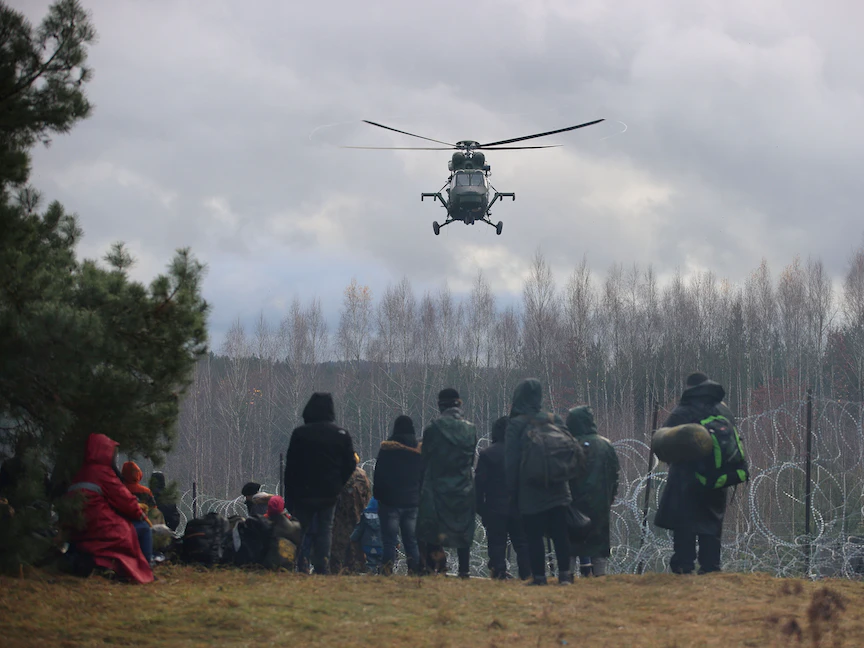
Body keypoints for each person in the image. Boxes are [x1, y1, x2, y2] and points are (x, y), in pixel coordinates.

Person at [654, 372, 735, 574]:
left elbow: (663, 443)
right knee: (712, 522)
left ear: (690, 388)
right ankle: (711, 567)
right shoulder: (723, 410)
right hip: (717, 477)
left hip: (686, 478)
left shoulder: (683, 410)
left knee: (685, 523)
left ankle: (683, 565)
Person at [505, 378, 574, 585]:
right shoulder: (554, 420)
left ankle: (539, 577)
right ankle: (565, 576)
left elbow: (511, 462)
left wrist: (512, 493)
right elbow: (570, 448)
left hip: (530, 489)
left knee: (533, 535)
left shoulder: (516, 424)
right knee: (561, 534)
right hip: (557, 486)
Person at [64, 433, 154, 583]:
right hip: (101, 528)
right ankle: (146, 570)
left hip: (80, 530)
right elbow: (125, 501)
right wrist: (140, 515)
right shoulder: (103, 474)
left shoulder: (81, 474)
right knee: (143, 529)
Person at [284, 392, 357, 575]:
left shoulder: (300, 434)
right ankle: (322, 566)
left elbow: (291, 466)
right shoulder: (340, 434)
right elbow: (350, 463)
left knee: (299, 529)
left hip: (304, 491)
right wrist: (338, 482)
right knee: (325, 530)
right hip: (329, 492)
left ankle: (298, 564)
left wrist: (290, 494)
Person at [417, 388, 477, 578]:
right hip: (463, 486)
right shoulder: (471, 429)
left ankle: (434, 569)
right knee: (463, 529)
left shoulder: (433, 429)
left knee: (432, 528)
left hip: (437, 487)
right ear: (459, 405)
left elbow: (425, 459)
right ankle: (464, 570)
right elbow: (470, 460)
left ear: (440, 406)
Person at [566, 406, 619, 577]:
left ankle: (567, 577)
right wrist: (609, 497)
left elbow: (562, 474)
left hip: (573, 502)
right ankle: (600, 577)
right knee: (598, 543)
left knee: (571, 542)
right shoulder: (605, 445)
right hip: (600, 502)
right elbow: (614, 474)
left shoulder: (570, 446)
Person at [476, 416, 530, 580]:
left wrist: (481, 509)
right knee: (522, 543)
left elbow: (479, 485)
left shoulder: (487, 454)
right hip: (520, 506)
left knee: (496, 543)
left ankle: (499, 572)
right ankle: (526, 574)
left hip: (495, 507)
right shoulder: (523, 453)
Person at [373, 415, 423, 575]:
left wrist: (379, 497)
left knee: (389, 542)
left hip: (390, 502)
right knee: (411, 541)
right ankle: (415, 571)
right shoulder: (418, 452)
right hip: (412, 503)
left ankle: (386, 571)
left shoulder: (387, 451)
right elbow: (422, 477)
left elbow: (378, 476)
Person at [330, 454, 371, 573]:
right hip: (358, 517)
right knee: (356, 548)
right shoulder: (362, 475)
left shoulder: (337, 475)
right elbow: (367, 496)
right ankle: (355, 570)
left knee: (337, 549)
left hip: (339, 519)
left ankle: (336, 571)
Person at [351, 497, 383, 573]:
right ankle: (383, 579)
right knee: (383, 564)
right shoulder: (387, 517)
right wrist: (396, 541)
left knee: (370, 564)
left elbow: (359, 529)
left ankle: (370, 578)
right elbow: (392, 530)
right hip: (383, 546)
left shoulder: (365, 516)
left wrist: (353, 538)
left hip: (368, 545)